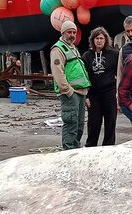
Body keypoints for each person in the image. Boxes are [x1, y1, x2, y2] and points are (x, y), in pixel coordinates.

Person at [50, 20, 91, 150]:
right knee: (71, 123)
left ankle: (75, 147)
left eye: (74, 32)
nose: (72, 35)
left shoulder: (73, 48)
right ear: (63, 33)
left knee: (79, 125)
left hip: (80, 93)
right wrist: (67, 90)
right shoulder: (58, 49)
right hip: (70, 93)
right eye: (69, 32)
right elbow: (57, 71)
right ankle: (68, 149)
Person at [81, 27, 118, 146]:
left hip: (109, 92)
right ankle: (91, 146)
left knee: (110, 121)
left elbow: (120, 74)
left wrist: (119, 93)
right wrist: (86, 95)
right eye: (97, 38)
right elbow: (83, 77)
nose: (99, 41)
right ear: (93, 40)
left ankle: (109, 146)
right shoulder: (87, 56)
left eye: (102, 38)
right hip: (93, 94)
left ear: (106, 40)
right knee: (93, 123)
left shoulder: (114, 54)